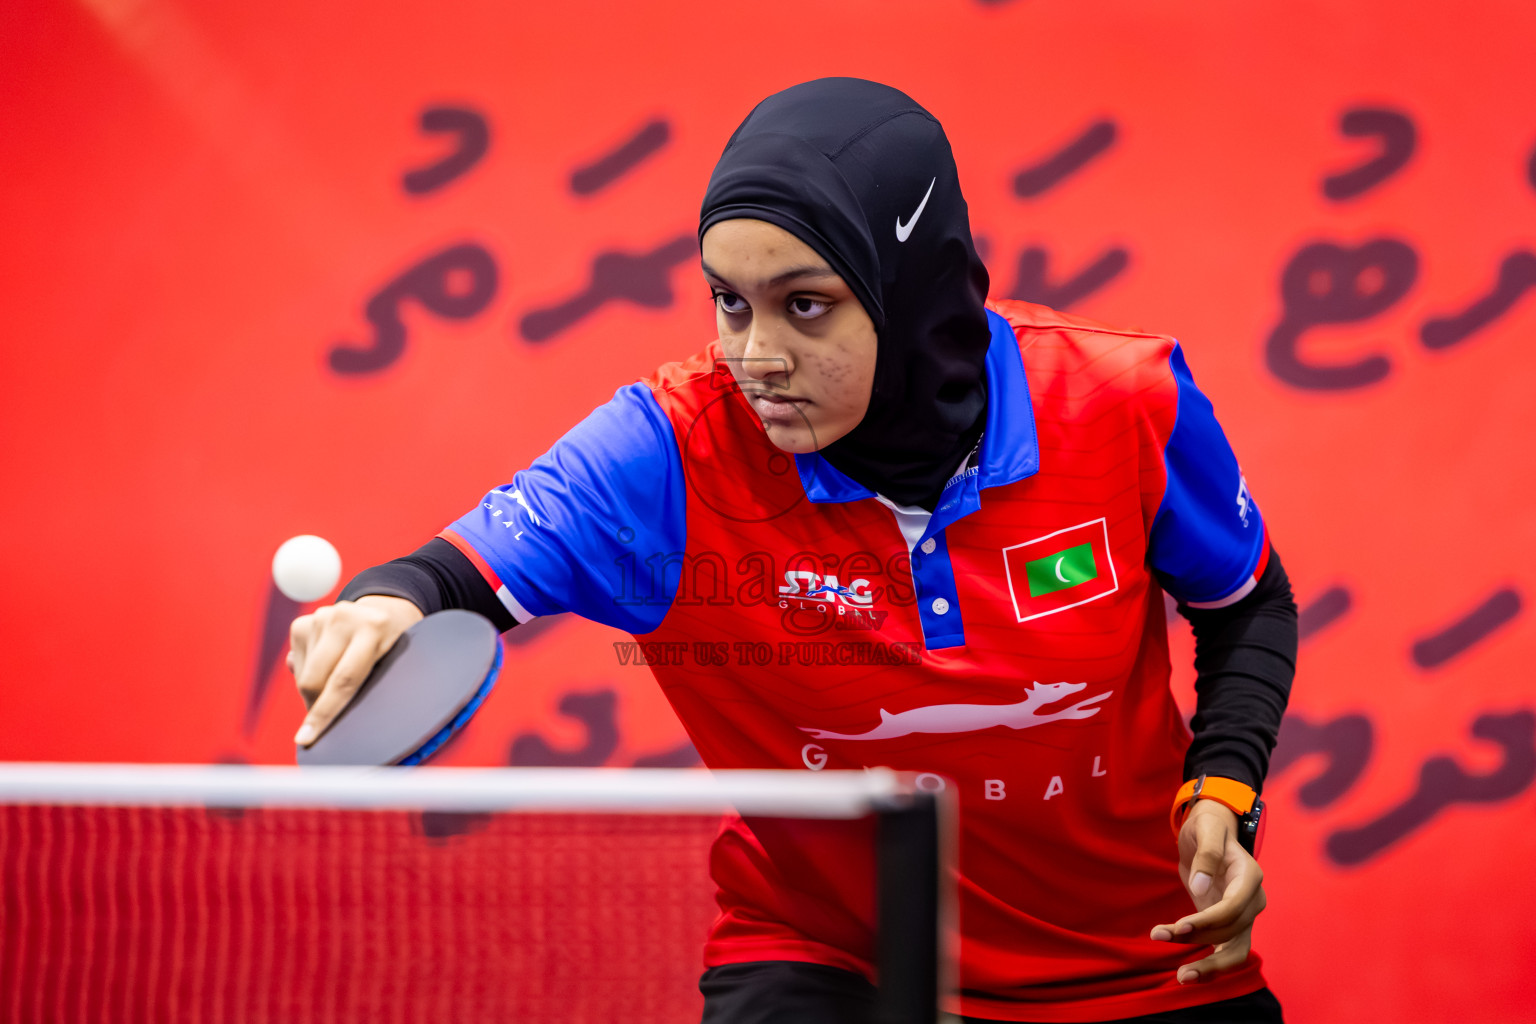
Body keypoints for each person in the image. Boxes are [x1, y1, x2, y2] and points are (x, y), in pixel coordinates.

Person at [288, 78, 1297, 1023]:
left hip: (1144, 958)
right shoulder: (675, 446)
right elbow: (451, 578)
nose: (754, 354)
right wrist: (381, 607)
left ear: (909, 294)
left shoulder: (1123, 402)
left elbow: (1246, 603)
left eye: (803, 305)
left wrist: (1225, 789)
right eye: (729, 300)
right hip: (828, 958)